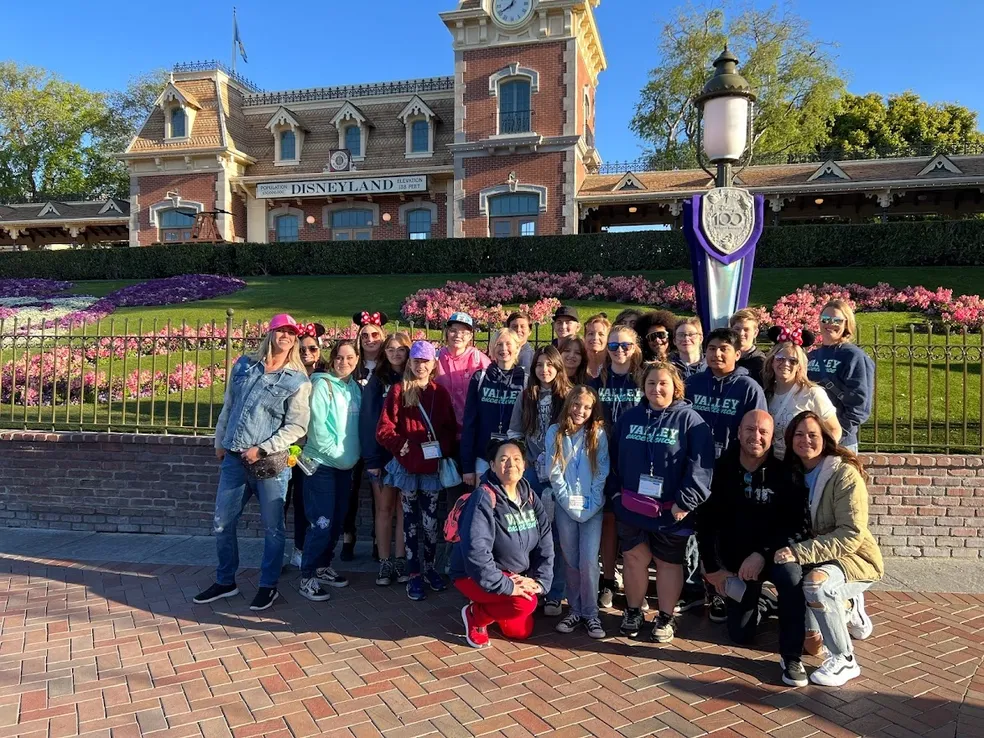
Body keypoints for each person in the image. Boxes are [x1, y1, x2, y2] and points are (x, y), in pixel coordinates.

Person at [194, 314, 311, 611]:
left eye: (290, 333)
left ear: (295, 340)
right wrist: (220, 441)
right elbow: (229, 405)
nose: (285, 336)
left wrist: (262, 448)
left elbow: (297, 427)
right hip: (234, 460)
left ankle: (268, 585)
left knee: (273, 528)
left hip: (269, 464)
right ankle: (225, 581)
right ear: (270, 333)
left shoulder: (297, 380)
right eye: (280, 330)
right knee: (222, 523)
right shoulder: (245, 366)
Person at [697, 410, 813, 687]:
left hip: (772, 554)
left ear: (772, 438)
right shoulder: (719, 470)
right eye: (750, 429)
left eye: (763, 432)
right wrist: (713, 569)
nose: (755, 437)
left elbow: (798, 525)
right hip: (736, 563)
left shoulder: (785, 475)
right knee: (740, 634)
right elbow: (705, 523)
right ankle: (763, 601)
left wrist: (762, 553)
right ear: (738, 432)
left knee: (791, 578)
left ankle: (791, 656)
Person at [776, 411, 884, 686]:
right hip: (818, 556)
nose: (805, 440)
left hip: (852, 557)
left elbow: (851, 534)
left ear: (826, 438)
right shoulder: (791, 472)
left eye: (813, 434)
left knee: (816, 587)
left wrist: (799, 553)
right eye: (799, 434)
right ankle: (848, 606)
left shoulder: (844, 474)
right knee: (811, 645)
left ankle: (845, 660)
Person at [611, 362, 715, 643]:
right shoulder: (630, 418)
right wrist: (616, 495)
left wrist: (685, 501)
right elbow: (613, 457)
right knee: (634, 558)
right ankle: (633, 611)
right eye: (650, 383)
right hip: (632, 506)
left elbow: (701, 467)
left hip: (672, 509)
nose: (656, 388)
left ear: (675, 387)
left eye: (663, 383)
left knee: (668, 562)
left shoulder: (691, 421)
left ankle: (665, 617)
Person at [450, 439, 555, 648]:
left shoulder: (530, 497)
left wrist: (540, 582)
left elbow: (546, 541)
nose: (511, 464)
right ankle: (476, 615)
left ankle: (493, 605)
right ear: (492, 465)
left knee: (521, 632)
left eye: (517, 459)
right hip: (473, 575)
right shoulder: (484, 498)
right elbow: (476, 552)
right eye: (503, 459)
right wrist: (506, 586)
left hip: (514, 574)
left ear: (524, 465)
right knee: (525, 603)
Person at [377, 340, 458, 601]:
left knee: (431, 522)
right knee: (410, 523)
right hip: (409, 467)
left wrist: (442, 448)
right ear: (410, 363)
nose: (420, 365)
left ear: (433, 363)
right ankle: (413, 572)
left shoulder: (440, 393)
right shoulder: (399, 391)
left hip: (432, 467)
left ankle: (431, 568)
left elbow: (448, 429)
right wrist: (401, 446)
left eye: (425, 361)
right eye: (416, 361)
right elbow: (384, 429)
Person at [507, 345, 571, 614]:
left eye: (550, 365)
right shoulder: (526, 396)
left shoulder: (568, 396)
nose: (544, 370)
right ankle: (532, 586)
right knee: (530, 533)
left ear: (558, 368)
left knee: (556, 535)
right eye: (539, 365)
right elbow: (514, 433)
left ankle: (555, 591)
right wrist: (524, 459)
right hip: (532, 472)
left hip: (561, 473)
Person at [297, 340, 363, 602]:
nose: (343, 362)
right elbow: (320, 428)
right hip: (322, 465)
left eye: (349, 358)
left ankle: (324, 566)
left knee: (336, 521)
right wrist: (339, 455)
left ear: (357, 360)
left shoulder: (355, 389)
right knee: (321, 522)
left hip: (345, 468)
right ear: (332, 359)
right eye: (338, 357)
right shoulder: (321, 385)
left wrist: (352, 457)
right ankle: (307, 576)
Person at [545, 386, 609, 639]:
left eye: (586, 407)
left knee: (589, 561)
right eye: (576, 404)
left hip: (592, 508)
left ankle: (591, 614)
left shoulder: (598, 434)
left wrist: (591, 504)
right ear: (568, 404)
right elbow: (554, 471)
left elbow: (602, 470)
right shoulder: (555, 432)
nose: (580, 411)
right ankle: (575, 609)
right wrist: (567, 503)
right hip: (565, 506)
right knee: (570, 559)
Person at [589, 324, 644, 609]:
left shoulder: (643, 382)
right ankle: (608, 579)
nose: (619, 350)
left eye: (625, 345)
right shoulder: (598, 383)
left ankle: (638, 583)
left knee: (637, 522)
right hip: (603, 461)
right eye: (613, 346)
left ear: (635, 348)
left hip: (636, 462)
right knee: (609, 521)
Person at [361, 332, 412, 586]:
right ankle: (384, 561)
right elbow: (369, 420)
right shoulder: (377, 381)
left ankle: (400, 558)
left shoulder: (414, 377)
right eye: (391, 349)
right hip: (382, 454)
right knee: (384, 508)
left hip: (407, 454)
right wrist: (371, 459)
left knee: (404, 507)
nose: (396, 354)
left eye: (401, 349)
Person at [341, 311, 389, 562]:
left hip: (378, 438)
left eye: (375, 335)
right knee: (350, 489)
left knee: (377, 490)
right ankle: (348, 535)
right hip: (350, 435)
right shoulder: (351, 364)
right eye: (365, 335)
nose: (370, 339)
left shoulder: (388, 366)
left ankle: (375, 539)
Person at [685, 327, 767, 461]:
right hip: (694, 458)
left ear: (737, 354)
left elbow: (759, 428)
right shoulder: (692, 383)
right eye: (711, 348)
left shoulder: (749, 388)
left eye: (724, 349)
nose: (716, 354)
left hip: (733, 461)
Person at [461, 329, 528, 488]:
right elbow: (470, 422)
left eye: (508, 344)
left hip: (513, 457)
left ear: (517, 348)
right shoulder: (480, 378)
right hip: (484, 457)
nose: (503, 349)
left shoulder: (525, 381)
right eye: (498, 344)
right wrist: (467, 466)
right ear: (491, 348)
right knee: (484, 504)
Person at [285, 322, 328, 569]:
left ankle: (301, 548)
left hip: (309, 450)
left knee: (304, 501)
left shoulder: (324, 376)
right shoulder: (288, 373)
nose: (307, 353)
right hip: (286, 445)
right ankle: (280, 550)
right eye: (302, 349)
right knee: (280, 501)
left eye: (312, 349)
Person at [762, 327, 841, 460]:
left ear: (800, 366)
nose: (786, 364)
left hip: (802, 465)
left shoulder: (813, 393)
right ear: (772, 361)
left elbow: (835, 430)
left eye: (793, 361)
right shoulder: (766, 393)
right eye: (780, 359)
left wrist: (818, 457)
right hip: (773, 465)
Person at [807, 300, 874, 453]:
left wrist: (836, 433)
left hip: (839, 441)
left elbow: (860, 406)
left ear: (846, 324)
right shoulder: (812, 356)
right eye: (825, 319)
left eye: (837, 320)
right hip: (811, 439)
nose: (830, 324)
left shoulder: (853, 356)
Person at [435, 311, 491, 436]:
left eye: (464, 332)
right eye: (453, 330)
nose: (458, 335)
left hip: (472, 427)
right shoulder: (436, 358)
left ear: (470, 336)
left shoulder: (479, 359)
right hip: (443, 426)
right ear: (447, 332)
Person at [731, 308, 766, 385]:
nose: (741, 333)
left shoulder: (760, 364)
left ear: (755, 333)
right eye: (737, 329)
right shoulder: (726, 357)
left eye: (746, 329)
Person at [583, 313, 611, 379]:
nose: (595, 338)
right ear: (585, 337)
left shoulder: (613, 364)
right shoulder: (579, 361)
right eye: (590, 334)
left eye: (601, 334)